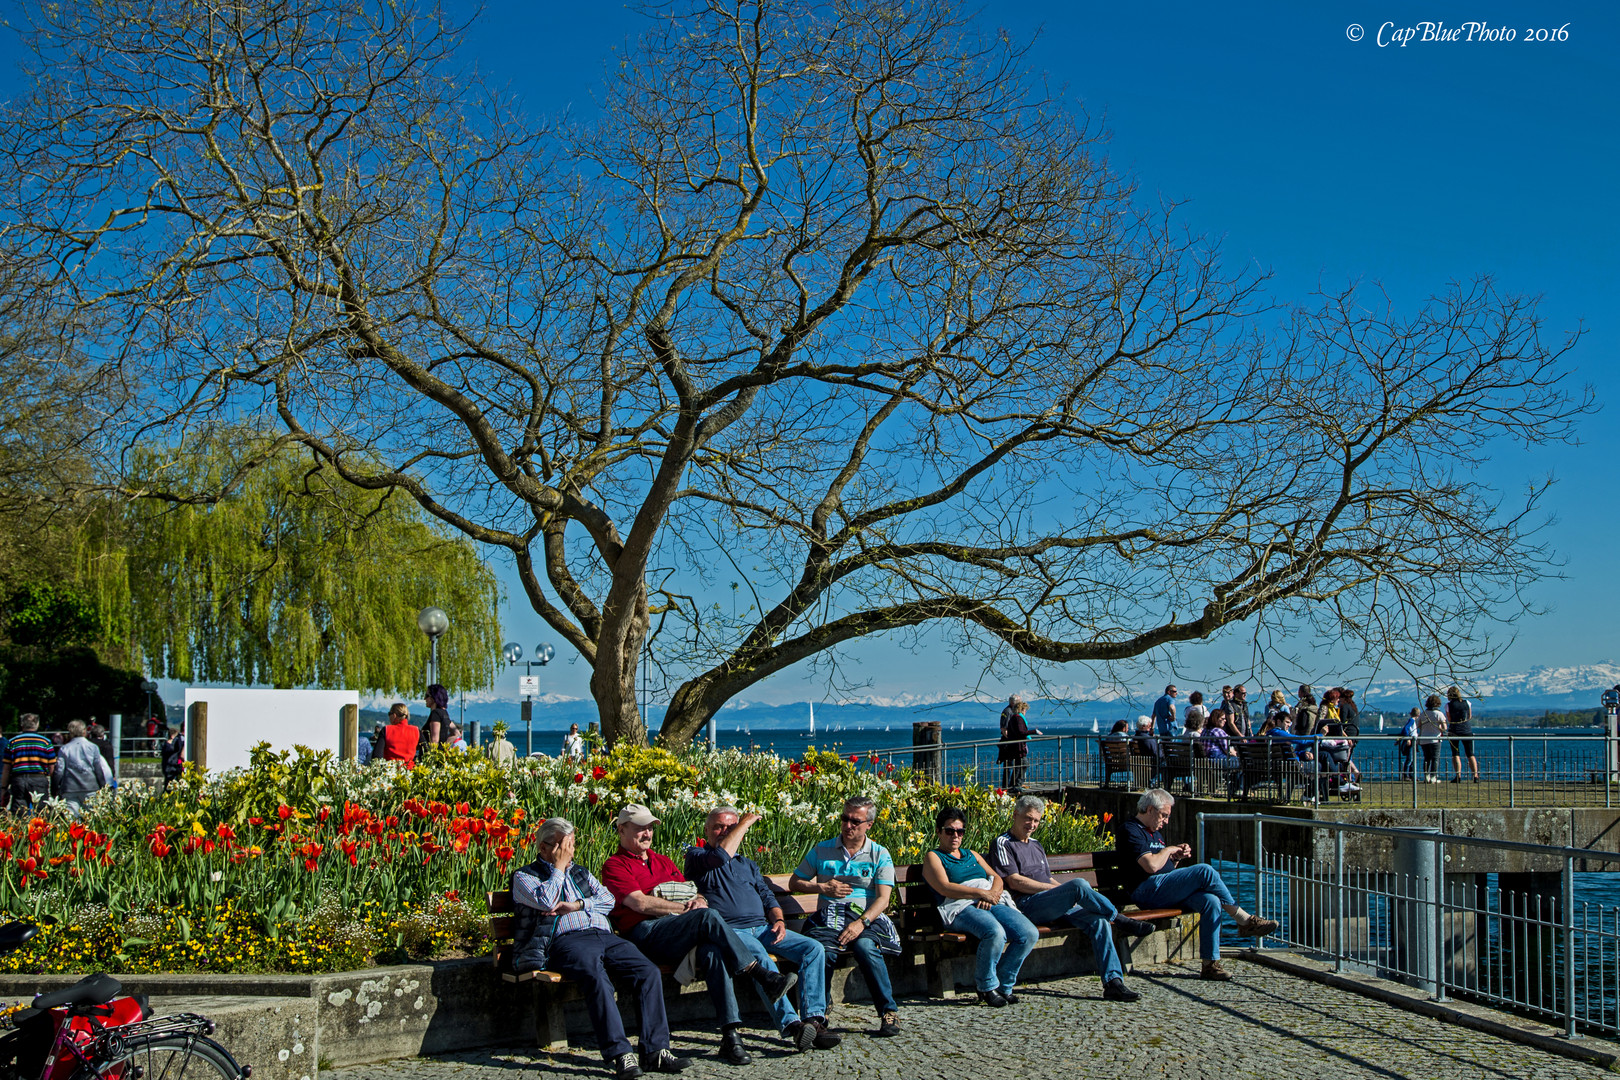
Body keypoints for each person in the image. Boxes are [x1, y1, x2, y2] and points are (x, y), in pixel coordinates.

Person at [601, 804, 795, 1066]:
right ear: (622, 830)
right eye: (639, 828)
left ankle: (730, 1036)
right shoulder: (615, 865)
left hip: (678, 931)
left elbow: (692, 891)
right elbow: (640, 904)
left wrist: (700, 900)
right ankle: (760, 973)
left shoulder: (662, 861)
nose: (647, 833)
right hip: (645, 934)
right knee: (707, 917)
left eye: (649, 828)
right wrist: (687, 909)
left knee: (713, 951)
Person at [512, 817, 690, 1079]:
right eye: (564, 846)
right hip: (566, 940)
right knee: (596, 976)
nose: (569, 852)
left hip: (604, 935)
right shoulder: (524, 876)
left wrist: (578, 905)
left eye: (571, 845)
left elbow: (607, 899)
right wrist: (559, 868)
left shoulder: (582, 872)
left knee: (647, 971)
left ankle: (656, 1052)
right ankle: (620, 1054)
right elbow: (547, 901)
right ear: (544, 848)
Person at [684, 806, 840, 1056]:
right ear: (706, 830)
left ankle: (813, 1021)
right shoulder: (697, 856)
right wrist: (743, 824)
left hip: (765, 928)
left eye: (730, 827)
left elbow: (767, 897)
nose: (724, 831)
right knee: (761, 957)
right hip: (731, 932)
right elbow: (721, 856)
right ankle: (792, 1025)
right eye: (718, 826)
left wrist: (778, 920)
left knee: (813, 948)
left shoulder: (748, 864)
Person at [987, 795, 1151, 1002]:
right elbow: (1015, 882)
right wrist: (1065, 891)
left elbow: (1048, 879)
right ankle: (1119, 918)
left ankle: (1113, 983)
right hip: (1028, 906)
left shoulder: (1036, 845)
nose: (1032, 824)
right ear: (1015, 815)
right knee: (1079, 884)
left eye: (1036, 820)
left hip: (1052, 904)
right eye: (1028, 818)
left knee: (1099, 922)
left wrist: (1066, 894)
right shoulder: (1003, 843)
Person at [1115, 789, 1279, 981]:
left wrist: (1175, 858)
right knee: (1205, 871)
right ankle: (1244, 920)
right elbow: (1150, 866)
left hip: (1162, 889)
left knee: (1210, 900)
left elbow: (1163, 868)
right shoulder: (1131, 829)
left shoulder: (1156, 835)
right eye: (1164, 815)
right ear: (1150, 809)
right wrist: (1168, 850)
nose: (1166, 821)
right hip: (1144, 891)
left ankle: (1210, 964)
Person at [789, 796, 903, 1038]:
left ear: (869, 825)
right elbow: (795, 881)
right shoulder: (822, 849)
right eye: (844, 818)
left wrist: (861, 923)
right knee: (824, 951)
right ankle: (820, 1012)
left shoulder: (879, 854)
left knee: (865, 946)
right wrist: (822, 888)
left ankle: (888, 1011)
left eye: (855, 821)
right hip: (829, 917)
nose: (848, 825)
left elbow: (883, 899)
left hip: (866, 917)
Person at [921, 806, 1038, 1007]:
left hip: (988, 900)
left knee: (1028, 933)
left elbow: (996, 877)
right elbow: (945, 887)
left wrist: (992, 892)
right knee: (994, 932)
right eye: (949, 831)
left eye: (960, 831)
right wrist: (979, 893)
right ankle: (986, 987)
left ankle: (1003, 985)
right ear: (939, 832)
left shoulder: (972, 854)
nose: (955, 836)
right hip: (959, 907)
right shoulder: (934, 857)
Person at [54, 720, 113, 815]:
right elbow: (98, 769)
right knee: (91, 817)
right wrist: (103, 787)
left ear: (70, 732)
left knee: (72, 820)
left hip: (70, 788)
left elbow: (59, 771)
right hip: (90, 787)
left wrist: (55, 788)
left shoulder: (64, 749)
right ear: (84, 731)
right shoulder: (93, 747)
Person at [0, 714, 56, 812]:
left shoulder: (13, 742)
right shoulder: (46, 742)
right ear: (37, 724)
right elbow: (52, 768)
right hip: (39, 779)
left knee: (20, 812)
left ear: (22, 725)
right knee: (42, 812)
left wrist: (4, 788)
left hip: (19, 779)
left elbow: (6, 768)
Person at [998, 696, 1038, 791]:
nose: (1020, 703)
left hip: (1014, 743)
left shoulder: (1014, 713)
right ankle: (1008, 786)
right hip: (1010, 744)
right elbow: (1004, 729)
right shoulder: (1007, 712)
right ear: (1014, 702)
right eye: (1019, 702)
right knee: (1009, 766)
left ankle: (1012, 785)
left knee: (1015, 765)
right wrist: (1012, 740)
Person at [1446, 686, 1480, 783]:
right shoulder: (1467, 703)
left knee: (1455, 754)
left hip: (1454, 730)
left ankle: (1458, 776)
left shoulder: (1448, 705)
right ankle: (1475, 776)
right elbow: (1469, 716)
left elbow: (1449, 719)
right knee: (1470, 754)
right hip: (1466, 730)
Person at [1417, 695, 1447, 783]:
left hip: (1424, 739)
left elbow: (1418, 725)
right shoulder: (1439, 714)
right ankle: (1433, 776)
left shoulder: (1423, 713)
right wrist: (1440, 727)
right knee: (1435, 758)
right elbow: (1444, 727)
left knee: (1427, 758)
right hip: (1435, 739)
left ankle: (1426, 776)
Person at [380, 703, 421, 767]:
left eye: (389, 714)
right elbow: (426, 750)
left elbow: (377, 754)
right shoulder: (416, 730)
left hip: (390, 769)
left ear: (394, 715)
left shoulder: (387, 730)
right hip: (409, 770)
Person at [1397, 708, 1418, 779]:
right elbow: (1406, 728)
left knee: (1412, 759)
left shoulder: (1412, 720)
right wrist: (1408, 738)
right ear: (1418, 715)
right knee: (1410, 759)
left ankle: (1411, 775)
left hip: (1412, 740)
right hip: (1411, 741)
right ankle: (1406, 775)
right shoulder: (1412, 720)